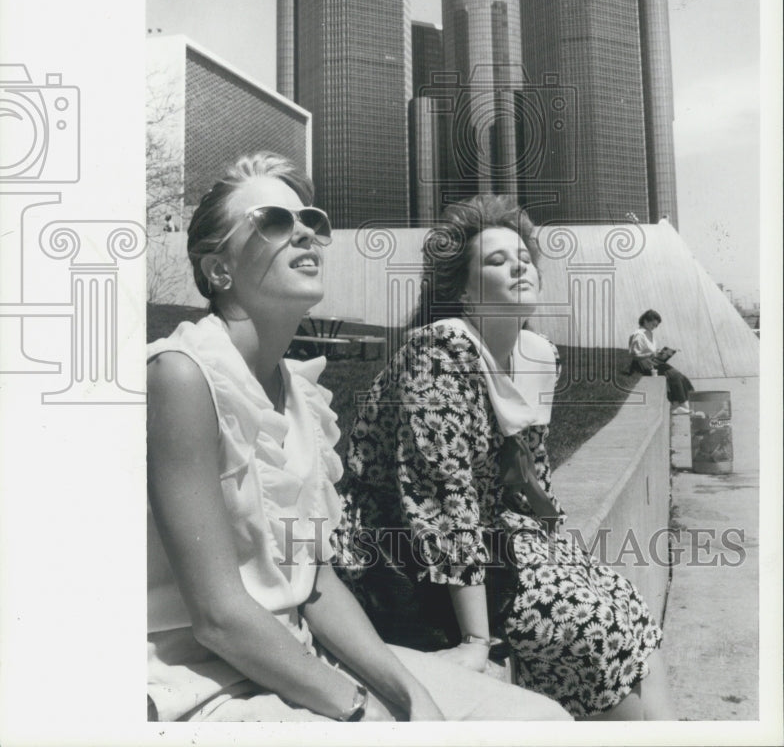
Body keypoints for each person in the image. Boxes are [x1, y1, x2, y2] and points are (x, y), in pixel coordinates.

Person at [146, 154, 569, 723]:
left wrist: (412, 694)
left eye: (312, 222)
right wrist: (358, 709)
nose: (305, 234)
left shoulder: (299, 391)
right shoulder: (182, 375)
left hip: (302, 655)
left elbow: (314, 580)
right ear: (218, 270)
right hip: (199, 682)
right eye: (272, 221)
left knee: (541, 722)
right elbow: (218, 617)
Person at [338, 194, 673, 720]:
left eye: (523, 257)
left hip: (495, 529)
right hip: (396, 545)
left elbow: (530, 474)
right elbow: (443, 494)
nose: (519, 265)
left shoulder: (537, 354)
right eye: (496, 260)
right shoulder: (440, 352)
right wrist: (476, 637)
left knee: (622, 601)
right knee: (587, 624)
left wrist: (559, 552)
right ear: (464, 294)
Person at [629, 308, 694, 415]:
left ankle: (683, 404)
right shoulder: (638, 335)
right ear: (645, 321)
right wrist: (651, 355)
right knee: (674, 374)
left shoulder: (648, 333)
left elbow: (650, 350)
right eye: (653, 325)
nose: (654, 328)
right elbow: (634, 354)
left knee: (679, 375)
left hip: (652, 362)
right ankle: (679, 405)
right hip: (643, 364)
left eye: (656, 326)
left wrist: (661, 353)